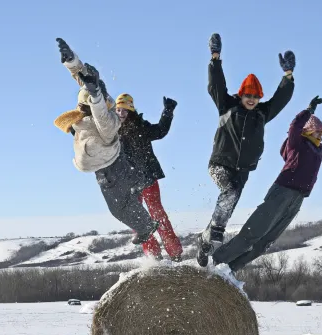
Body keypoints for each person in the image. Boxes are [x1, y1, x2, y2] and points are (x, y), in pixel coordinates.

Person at [203, 96, 322, 271]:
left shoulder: (319, 151)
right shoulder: (296, 143)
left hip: (298, 199)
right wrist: (309, 110)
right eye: (317, 132)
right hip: (282, 192)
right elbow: (294, 126)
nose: (320, 136)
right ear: (308, 130)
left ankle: (229, 270)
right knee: (252, 234)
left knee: (264, 243)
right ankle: (215, 261)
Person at [196, 32, 296, 266]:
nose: (251, 99)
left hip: (243, 170)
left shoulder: (262, 114)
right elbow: (216, 84)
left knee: (227, 205)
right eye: (248, 95)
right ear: (240, 94)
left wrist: (288, 76)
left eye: (256, 96)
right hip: (220, 164)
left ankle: (205, 241)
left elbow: (281, 99)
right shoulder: (226, 106)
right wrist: (215, 57)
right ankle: (216, 231)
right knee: (228, 194)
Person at [54, 38, 158, 245]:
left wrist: (94, 97)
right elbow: (81, 75)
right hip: (109, 165)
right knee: (124, 201)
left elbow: (100, 113)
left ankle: (146, 225)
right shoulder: (93, 95)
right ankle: (143, 212)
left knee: (118, 208)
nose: (79, 109)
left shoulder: (105, 118)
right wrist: (70, 60)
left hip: (111, 169)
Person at [113, 93, 184, 261]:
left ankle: (174, 252)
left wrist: (167, 112)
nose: (121, 113)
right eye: (118, 109)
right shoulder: (112, 130)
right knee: (137, 219)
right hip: (127, 181)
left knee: (157, 214)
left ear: (131, 110)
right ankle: (153, 255)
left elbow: (160, 131)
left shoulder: (140, 126)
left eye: (124, 109)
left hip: (146, 177)